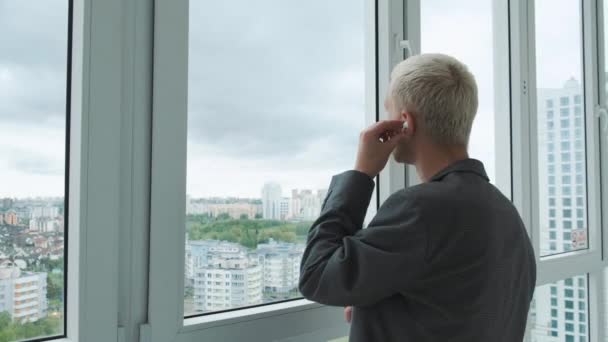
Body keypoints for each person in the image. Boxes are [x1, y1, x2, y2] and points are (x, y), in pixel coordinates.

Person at [298, 53, 536, 341]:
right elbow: (451, 304)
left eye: (389, 110)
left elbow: (316, 274)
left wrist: (361, 175)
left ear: (404, 122)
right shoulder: (503, 210)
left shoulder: (420, 209)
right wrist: (374, 303)